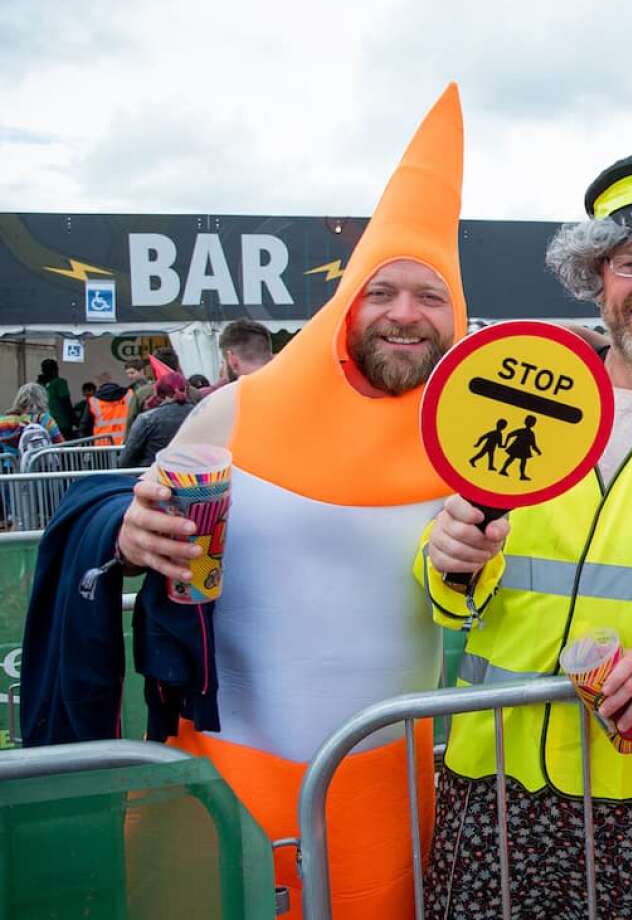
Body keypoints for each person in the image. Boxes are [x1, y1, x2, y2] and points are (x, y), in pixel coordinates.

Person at [113, 85, 468, 918]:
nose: (405, 315)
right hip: (227, 778)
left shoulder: (468, 438)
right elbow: (145, 525)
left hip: (386, 783)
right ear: (346, 301)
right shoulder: (236, 408)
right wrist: (128, 535)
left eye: (431, 295)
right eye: (383, 291)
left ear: (458, 313)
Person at [418, 152, 632, 920]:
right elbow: (449, 578)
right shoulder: (524, 387)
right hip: (490, 771)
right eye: (631, 263)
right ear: (596, 279)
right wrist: (450, 561)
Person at [118, 372, 196, 468]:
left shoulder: (146, 419)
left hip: (154, 475)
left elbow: (125, 461)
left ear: (160, 393)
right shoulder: (202, 413)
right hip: (195, 476)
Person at [206, 319, 274, 394]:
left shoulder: (226, 401)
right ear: (271, 356)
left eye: (223, 362)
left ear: (232, 359)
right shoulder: (287, 388)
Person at [1, 383, 64, 458]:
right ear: (42, 399)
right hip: (39, 465)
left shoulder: (4, 421)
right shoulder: (44, 419)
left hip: (10, 465)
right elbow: (60, 443)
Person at [36, 358, 77, 440]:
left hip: (44, 423)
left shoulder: (38, 385)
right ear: (55, 370)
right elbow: (66, 402)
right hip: (61, 423)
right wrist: (74, 420)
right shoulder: (59, 383)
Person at [85, 376, 131, 446]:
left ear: (99, 385)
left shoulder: (93, 401)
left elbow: (85, 426)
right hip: (127, 442)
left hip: (104, 446)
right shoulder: (129, 394)